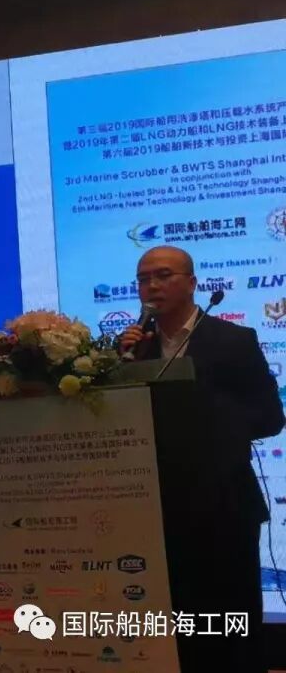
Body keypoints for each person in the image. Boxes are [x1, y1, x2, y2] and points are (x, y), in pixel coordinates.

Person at [118, 245, 284, 672]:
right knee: (175, 619)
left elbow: (270, 416)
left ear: (192, 283)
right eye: (143, 278)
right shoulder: (134, 347)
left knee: (229, 619)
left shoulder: (234, 341)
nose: (152, 286)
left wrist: (208, 416)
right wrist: (118, 364)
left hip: (222, 503)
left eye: (163, 275)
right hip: (155, 507)